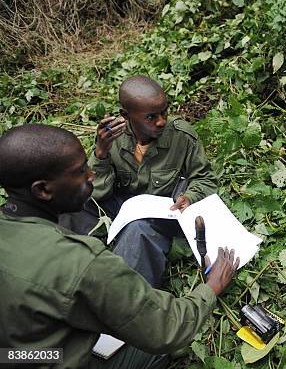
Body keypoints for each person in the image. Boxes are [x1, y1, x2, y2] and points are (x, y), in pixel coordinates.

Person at [0, 124, 239, 368]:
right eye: (81, 171)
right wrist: (211, 288)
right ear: (42, 190)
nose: (91, 175)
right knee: (153, 350)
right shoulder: (82, 261)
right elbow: (166, 328)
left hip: (13, 355)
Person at [60, 75, 217, 287]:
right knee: (71, 207)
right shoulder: (113, 138)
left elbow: (205, 178)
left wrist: (189, 196)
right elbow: (95, 193)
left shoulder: (182, 136)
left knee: (139, 231)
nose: (161, 121)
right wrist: (101, 153)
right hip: (121, 207)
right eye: (151, 117)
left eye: (164, 112)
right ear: (125, 115)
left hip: (160, 215)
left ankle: (123, 297)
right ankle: (60, 268)